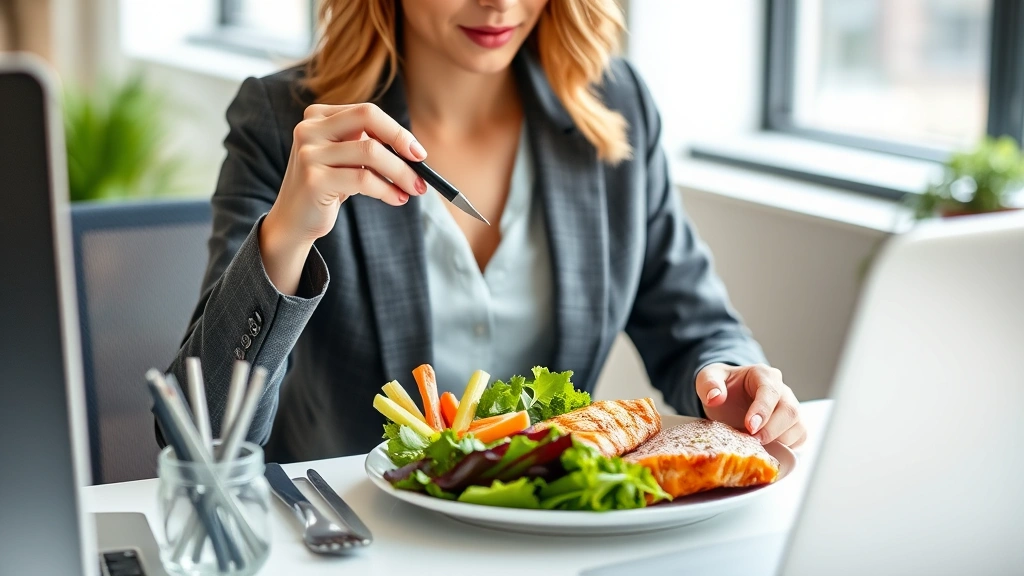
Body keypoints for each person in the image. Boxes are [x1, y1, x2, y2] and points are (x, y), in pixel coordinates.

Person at [164, 0, 806, 463]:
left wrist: (731, 378)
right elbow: (198, 434)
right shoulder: (285, 124)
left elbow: (694, 322)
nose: (499, 4)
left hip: (549, 537)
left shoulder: (615, 106)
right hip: (354, 544)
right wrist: (286, 237)